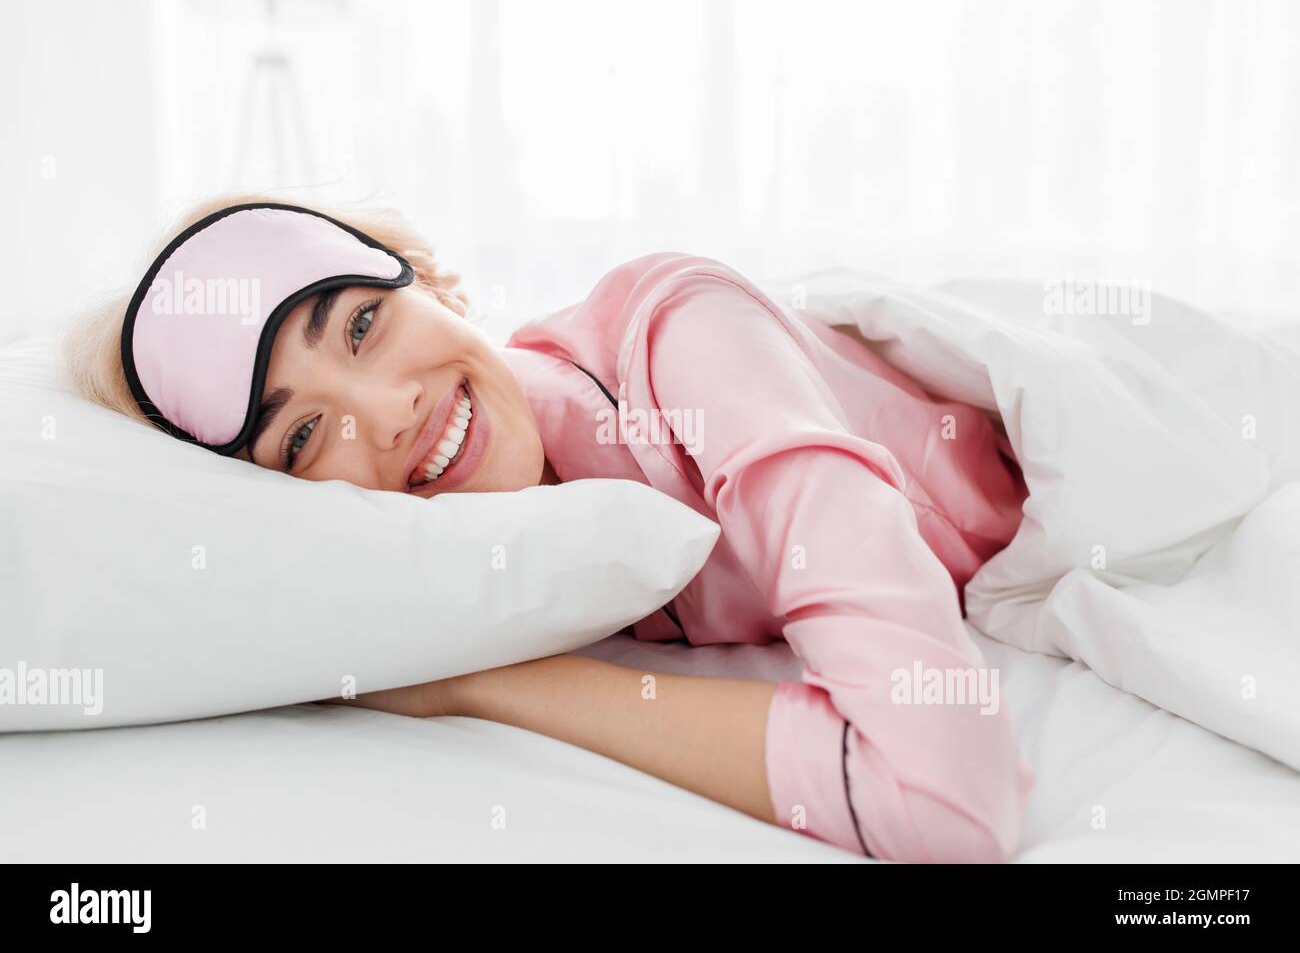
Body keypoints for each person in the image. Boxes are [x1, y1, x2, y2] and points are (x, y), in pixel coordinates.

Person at [64, 195, 1035, 862]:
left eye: (360, 326)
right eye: (307, 434)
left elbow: (945, 794)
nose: (387, 411)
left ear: (436, 284)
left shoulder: (682, 341)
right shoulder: (483, 563)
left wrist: (485, 685)